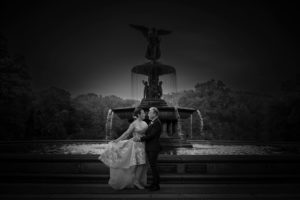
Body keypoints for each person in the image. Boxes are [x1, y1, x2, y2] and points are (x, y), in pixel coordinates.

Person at [99, 108, 148, 190]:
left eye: (144, 113)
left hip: (143, 144)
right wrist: (118, 140)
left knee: (142, 164)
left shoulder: (145, 123)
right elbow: (126, 133)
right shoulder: (133, 124)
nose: (144, 114)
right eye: (143, 113)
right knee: (138, 164)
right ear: (138, 115)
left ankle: (137, 181)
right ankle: (136, 182)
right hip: (136, 146)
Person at [133, 107, 162, 191]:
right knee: (152, 167)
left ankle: (156, 185)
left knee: (154, 167)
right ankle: (153, 184)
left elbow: (152, 135)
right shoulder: (152, 122)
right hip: (150, 147)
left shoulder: (157, 122)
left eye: (150, 113)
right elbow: (148, 133)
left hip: (153, 148)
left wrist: (140, 139)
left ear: (154, 114)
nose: (148, 114)